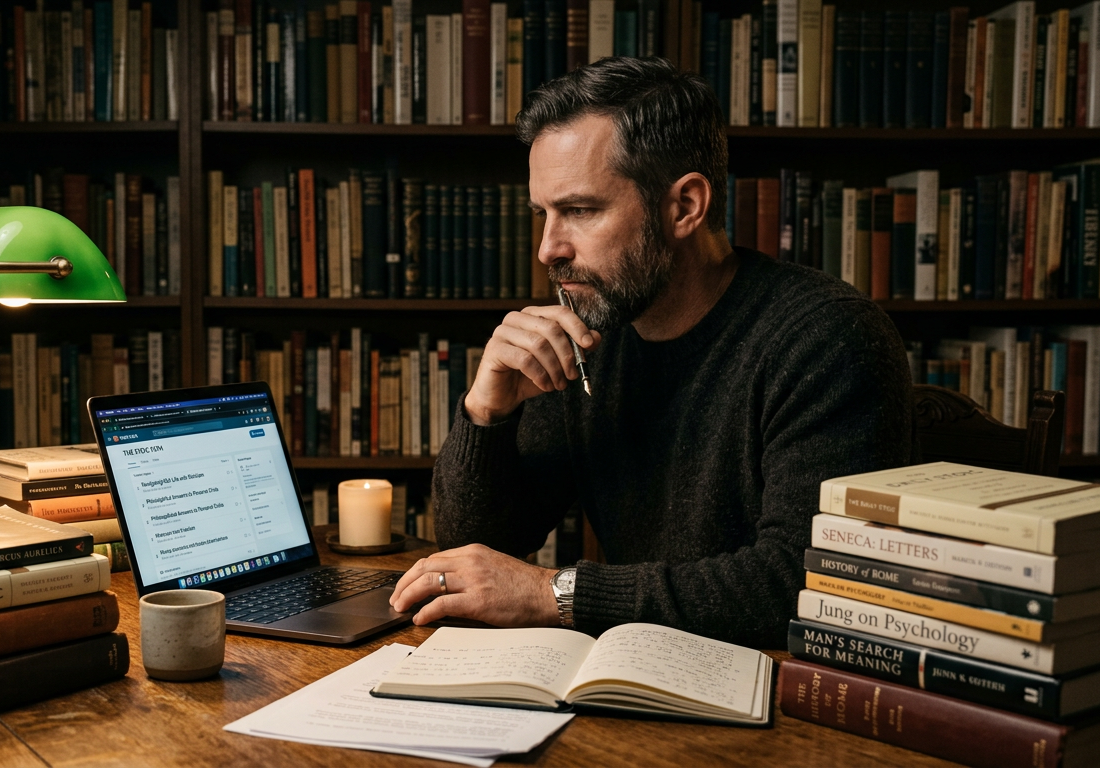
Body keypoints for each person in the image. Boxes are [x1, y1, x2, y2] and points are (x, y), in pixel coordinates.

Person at [387, 57, 913, 648]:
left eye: (580, 211)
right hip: (633, 680)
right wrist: (488, 411)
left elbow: (804, 580)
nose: (547, 250)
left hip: (781, 699)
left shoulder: (826, 338)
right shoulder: (595, 330)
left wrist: (553, 594)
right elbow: (476, 555)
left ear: (685, 206)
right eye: (544, 214)